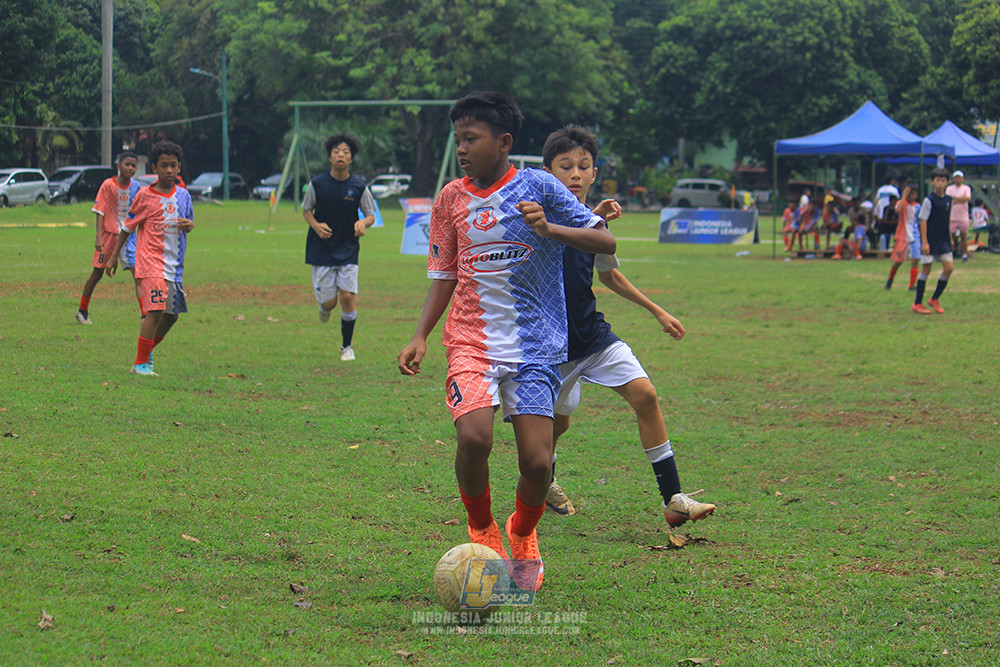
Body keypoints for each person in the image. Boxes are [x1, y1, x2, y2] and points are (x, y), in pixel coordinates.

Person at [396, 92, 616, 591]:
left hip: (536, 347)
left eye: (471, 138)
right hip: (471, 342)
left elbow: (606, 241)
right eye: (458, 140)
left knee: (537, 463)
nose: (463, 149)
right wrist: (420, 336)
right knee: (475, 437)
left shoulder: (541, 186)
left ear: (505, 142)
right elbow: (444, 273)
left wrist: (550, 227)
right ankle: (483, 529)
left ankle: (522, 533)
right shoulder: (450, 199)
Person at [538, 126, 716, 528]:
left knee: (645, 394)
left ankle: (673, 498)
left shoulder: (593, 224)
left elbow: (609, 276)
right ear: (547, 172)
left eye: (584, 166)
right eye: (565, 166)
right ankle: (543, 479)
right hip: (550, 347)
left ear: (595, 173)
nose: (576, 174)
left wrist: (657, 310)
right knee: (556, 424)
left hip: (593, 336)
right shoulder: (537, 216)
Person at [105, 141, 194, 375]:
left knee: (171, 316)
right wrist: (114, 257)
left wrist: (190, 225)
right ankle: (140, 364)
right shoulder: (144, 195)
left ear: (179, 167)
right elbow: (127, 227)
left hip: (173, 266)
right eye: (163, 166)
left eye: (173, 166)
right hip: (150, 262)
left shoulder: (184, 195)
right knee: (154, 311)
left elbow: (188, 222)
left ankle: (145, 353)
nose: (168, 171)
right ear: (155, 167)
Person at [302, 133, 377, 361]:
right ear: (330, 157)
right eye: (336, 151)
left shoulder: (359, 187)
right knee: (329, 302)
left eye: (345, 152)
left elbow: (371, 215)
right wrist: (315, 225)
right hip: (322, 248)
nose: (341, 155)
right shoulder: (317, 184)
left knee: (347, 296)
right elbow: (306, 209)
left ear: (351, 158)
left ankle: (346, 347)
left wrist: (362, 223)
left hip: (348, 248)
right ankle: (324, 308)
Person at [75, 152, 141, 324]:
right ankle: (82, 311)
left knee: (138, 274)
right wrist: (98, 237)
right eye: (127, 164)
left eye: (134, 165)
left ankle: (146, 315)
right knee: (97, 273)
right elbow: (100, 211)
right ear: (118, 166)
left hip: (128, 237)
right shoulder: (108, 185)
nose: (131, 168)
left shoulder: (136, 188)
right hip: (109, 235)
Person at [913, 168, 954, 315]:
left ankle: (934, 298)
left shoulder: (949, 200)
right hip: (930, 240)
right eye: (937, 180)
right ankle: (917, 303)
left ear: (947, 183)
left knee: (949, 268)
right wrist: (924, 242)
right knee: (926, 269)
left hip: (943, 240)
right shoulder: (929, 200)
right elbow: (923, 221)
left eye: (943, 181)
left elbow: (946, 220)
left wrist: (950, 238)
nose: (940, 184)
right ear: (932, 182)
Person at [885, 184, 921, 291]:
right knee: (898, 261)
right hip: (903, 236)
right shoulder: (902, 203)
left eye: (913, 194)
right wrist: (904, 196)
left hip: (915, 236)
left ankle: (912, 285)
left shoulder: (917, 206)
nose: (911, 196)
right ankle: (890, 280)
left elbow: (920, 222)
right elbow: (898, 210)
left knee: (915, 260)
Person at [945, 170, 972, 262]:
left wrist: (956, 198)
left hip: (963, 217)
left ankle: (964, 255)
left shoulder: (966, 188)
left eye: (959, 177)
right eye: (956, 177)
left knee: (963, 236)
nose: (958, 179)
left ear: (962, 178)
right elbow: (948, 199)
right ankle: (950, 254)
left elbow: (967, 198)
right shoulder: (949, 188)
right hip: (952, 217)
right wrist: (960, 199)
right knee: (951, 237)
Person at [874, 176, 900, 250]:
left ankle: (887, 246)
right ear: (891, 181)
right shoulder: (894, 189)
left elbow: (876, 201)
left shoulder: (880, 189)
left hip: (880, 213)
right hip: (887, 215)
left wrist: (875, 214)